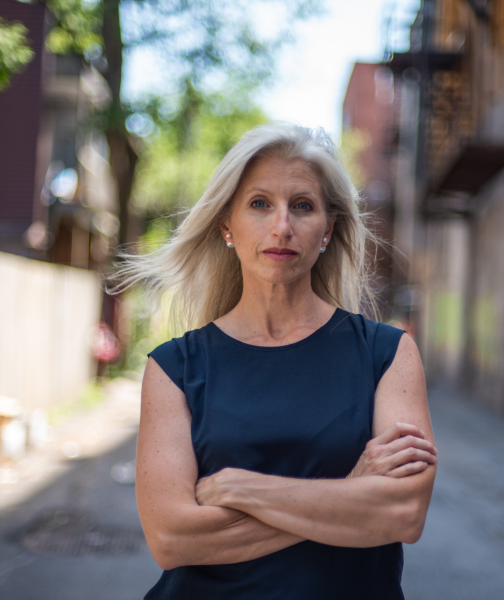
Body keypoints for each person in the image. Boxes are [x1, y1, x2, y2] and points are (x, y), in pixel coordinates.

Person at [116, 123, 437, 599]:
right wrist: (351, 491)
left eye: (302, 206)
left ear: (328, 228)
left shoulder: (386, 355)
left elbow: (402, 515)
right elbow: (172, 539)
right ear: (227, 223)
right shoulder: (175, 369)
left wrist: (241, 488)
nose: (282, 226)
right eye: (260, 203)